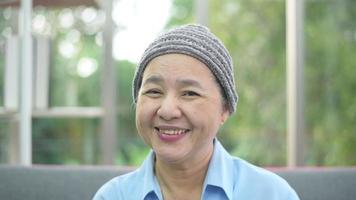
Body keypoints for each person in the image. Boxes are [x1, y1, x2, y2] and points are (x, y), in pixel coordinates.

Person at [93, 24, 299, 200]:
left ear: (225, 109)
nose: (167, 110)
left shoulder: (271, 193)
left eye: (189, 93)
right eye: (154, 91)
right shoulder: (114, 195)